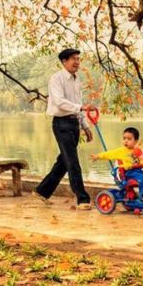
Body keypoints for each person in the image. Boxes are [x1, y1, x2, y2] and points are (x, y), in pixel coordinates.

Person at [34, 48, 94, 209]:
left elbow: (77, 104)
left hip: (74, 123)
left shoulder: (76, 79)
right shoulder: (56, 79)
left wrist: (85, 126)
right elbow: (60, 102)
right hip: (61, 124)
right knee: (72, 162)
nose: (77, 62)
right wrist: (81, 107)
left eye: (78, 59)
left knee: (64, 161)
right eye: (73, 59)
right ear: (64, 61)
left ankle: (42, 190)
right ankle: (82, 199)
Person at [92, 127, 143, 201]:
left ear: (136, 141)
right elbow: (109, 154)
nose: (126, 141)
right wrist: (98, 156)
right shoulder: (121, 151)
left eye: (129, 139)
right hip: (129, 173)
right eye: (124, 138)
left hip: (139, 172)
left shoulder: (138, 151)